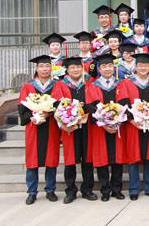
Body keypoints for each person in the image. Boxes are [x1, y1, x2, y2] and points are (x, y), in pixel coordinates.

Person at [52, 57, 97, 203]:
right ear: (67, 70)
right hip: (69, 127)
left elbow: (94, 102)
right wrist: (63, 122)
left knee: (88, 159)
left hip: (87, 126)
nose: (76, 70)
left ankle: (87, 189)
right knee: (70, 159)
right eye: (72, 68)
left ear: (82, 68)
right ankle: (70, 191)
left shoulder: (89, 82)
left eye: (78, 67)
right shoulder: (60, 84)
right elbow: (56, 105)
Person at [85, 53, 129, 201]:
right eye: (104, 66)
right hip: (100, 129)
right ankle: (105, 190)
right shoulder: (93, 86)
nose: (107, 69)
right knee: (102, 160)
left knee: (117, 159)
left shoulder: (120, 84)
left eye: (110, 65)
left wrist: (117, 122)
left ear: (114, 67)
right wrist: (104, 124)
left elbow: (125, 104)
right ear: (99, 69)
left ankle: (117, 190)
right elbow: (91, 107)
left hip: (118, 128)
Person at [18, 55, 61, 205]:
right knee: (32, 160)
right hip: (33, 128)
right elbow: (22, 107)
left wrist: (49, 113)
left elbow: (60, 105)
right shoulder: (28, 86)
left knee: (51, 159)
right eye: (41, 66)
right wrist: (32, 116)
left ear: (51, 68)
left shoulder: (56, 85)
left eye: (47, 66)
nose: (44, 69)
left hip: (51, 127)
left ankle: (50, 190)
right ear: (36, 68)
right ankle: (32, 192)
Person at [121, 53, 149, 200]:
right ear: (135, 66)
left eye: (146, 65)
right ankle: (134, 189)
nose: (143, 68)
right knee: (133, 156)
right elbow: (123, 103)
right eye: (140, 65)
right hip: (133, 126)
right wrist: (131, 120)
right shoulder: (127, 83)